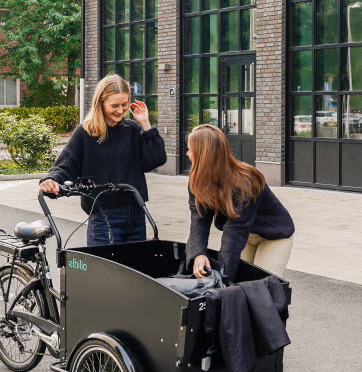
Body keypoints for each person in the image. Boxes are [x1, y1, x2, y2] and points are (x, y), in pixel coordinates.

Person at [38, 73, 166, 245]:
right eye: (114, 105)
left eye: (124, 104)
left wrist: (146, 125)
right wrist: (50, 180)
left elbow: (156, 159)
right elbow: (66, 165)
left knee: (134, 270)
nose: (120, 110)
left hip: (136, 212)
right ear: (101, 103)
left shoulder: (132, 129)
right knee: (104, 271)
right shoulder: (85, 133)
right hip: (104, 216)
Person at [186, 123, 294, 282]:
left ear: (203, 155)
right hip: (247, 234)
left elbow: (234, 233)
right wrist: (198, 253)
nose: (187, 153)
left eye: (190, 150)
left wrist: (221, 280)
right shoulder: (197, 180)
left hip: (273, 236)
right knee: (238, 285)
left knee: (261, 288)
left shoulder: (245, 181)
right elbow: (199, 220)